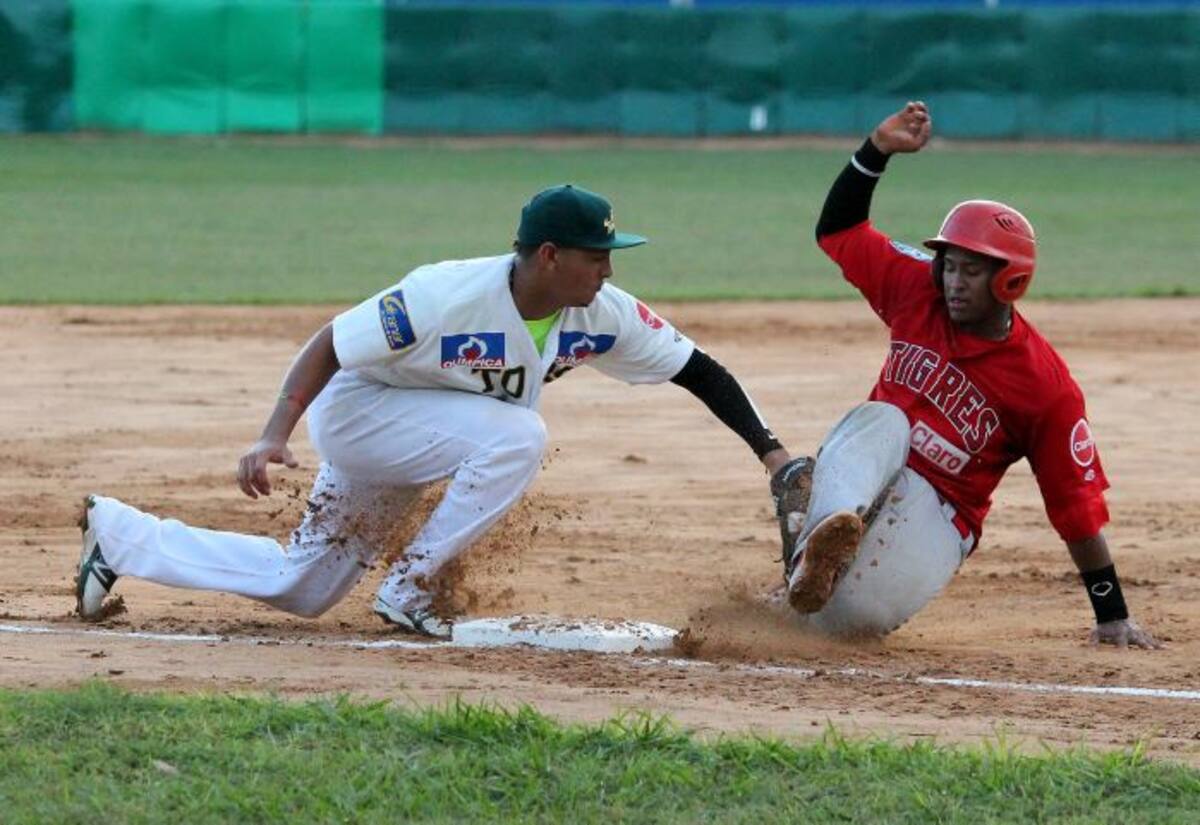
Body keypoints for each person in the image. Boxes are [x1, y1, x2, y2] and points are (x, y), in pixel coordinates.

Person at [75, 184, 793, 639]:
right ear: (549, 255)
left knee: (303, 586)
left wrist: (774, 454)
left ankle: (121, 536)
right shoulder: (443, 294)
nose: (608, 268)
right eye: (596, 254)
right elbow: (332, 342)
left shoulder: (603, 313)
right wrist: (273, 434)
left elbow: (699, 370)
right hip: (363, 414)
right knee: (518, 435)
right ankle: (412, 586)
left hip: (428, 432)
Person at [771, 101, 1160, 648]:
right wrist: (875, 151)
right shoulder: (917, 288)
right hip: (872, 472)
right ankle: (818, 542)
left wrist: (1111, 611)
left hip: (939, 514)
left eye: (971, 271)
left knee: (841, 626)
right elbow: (840, 231)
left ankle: (809, 575)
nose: (954, 282)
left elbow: (1075, 506)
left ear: (1010, 281)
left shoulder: (1043, 386)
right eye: (949, 266)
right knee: (882, 419)